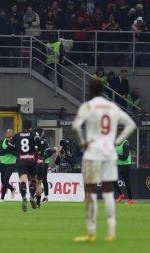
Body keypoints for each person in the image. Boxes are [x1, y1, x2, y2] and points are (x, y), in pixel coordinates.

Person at [72, 79, 136, 242]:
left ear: (90, 90)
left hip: (92, 152)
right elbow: (130, 124)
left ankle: (91, 233)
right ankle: (111, 232)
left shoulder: (88, 106)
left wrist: (82, 143)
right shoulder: (111, 106)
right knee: (108, 192)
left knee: (91, 192)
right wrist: (116, 141)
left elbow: (76, 126)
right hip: (109, 153)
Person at [9, 120, 41, 212]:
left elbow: (9, 147)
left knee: (23, 180)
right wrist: (37, 150)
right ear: (30, 126)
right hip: (32, 160)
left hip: (21, 160)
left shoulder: (16, 135)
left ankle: (23, 197)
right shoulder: (34, 134)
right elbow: (39, 141)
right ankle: (31, 196)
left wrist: (18, 152)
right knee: (32, 179)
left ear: (22, 126)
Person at [36, 129, 56, 203]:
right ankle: (43, 196)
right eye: (43, 132)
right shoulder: (44, 142)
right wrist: (54, 150)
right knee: (42, 180)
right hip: (42, 163)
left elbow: (48, 153)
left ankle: (45, 196)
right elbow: (49, 153)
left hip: (41, 163)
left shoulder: (38, 142)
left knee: (40, 180)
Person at [0, 129, 17, 202]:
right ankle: (12, 189)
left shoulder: (15, 142)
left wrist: (7, 150)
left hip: (11, 163)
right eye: (7, 132)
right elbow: (0, 153)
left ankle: (2, 198)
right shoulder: (3, 142)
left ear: (13, 133)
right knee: (3, 182)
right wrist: (9, 149)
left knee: (5, 180)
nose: (7, 133)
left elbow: (17, 153)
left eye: (9, 132)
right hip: (2, 163)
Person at [114, 140, 133, 205]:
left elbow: (125, 157)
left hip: (126, 166)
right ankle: (121, 195)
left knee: (127, 183)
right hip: (118, 166)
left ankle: (130, 199)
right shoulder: (115, 144)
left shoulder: (125, 144)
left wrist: (116, 155)